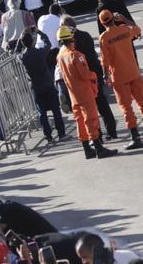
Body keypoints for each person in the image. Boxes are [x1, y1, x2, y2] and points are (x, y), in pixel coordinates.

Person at [56, 25, 118, 159]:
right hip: (84, 92)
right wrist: (94, 75)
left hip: (73, 94)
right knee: (91, 120)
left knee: (80, 122)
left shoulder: (60, 55)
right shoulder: (76, 55)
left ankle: (87, 149)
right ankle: (98, 148)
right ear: (71, 38)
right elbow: (85, 74)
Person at [98, 10, 143, 149]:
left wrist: (105, 76)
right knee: (142, 101)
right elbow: (137, 29)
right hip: (133, 72)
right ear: (113, 19)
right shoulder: (124, 29)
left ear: (102, 22)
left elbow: (104, 61)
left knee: (126, 108)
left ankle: (135, 137)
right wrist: (124, 19)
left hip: (119, 77)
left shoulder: (104, 38)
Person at [20, 30, 66, 142]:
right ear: (33, 41)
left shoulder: (23, 57)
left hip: (36, 86)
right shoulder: (40, 52)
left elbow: (14, 53)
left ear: (23, 43)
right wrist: (39, 32)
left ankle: (48, 135)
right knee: (56, 109)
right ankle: (61, 132)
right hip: (47, 83)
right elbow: (48, 43)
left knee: (42, 113)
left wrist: (19, 41)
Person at [36, 3, 63, 70]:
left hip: (39, 49)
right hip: (53, 50)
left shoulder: (41, 18)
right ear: (60, 12)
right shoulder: (60, 21)